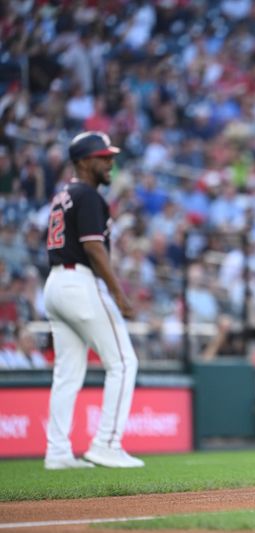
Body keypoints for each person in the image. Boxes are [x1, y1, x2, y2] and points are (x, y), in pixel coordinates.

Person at [42, 131, 144, 470]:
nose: (110, 161)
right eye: (103, 156)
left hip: (56, 282)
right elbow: (93, 247)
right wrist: (119, 293)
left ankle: (57, 452)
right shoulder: (86, 195)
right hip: (80, 282)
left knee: (67, 372)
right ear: (84, 161)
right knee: (124, 362)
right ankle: (107, 444)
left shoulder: (64, 195)